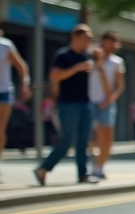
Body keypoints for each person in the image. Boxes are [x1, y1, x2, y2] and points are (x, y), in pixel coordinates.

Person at [34, 24, 98, 185]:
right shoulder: (63, 56)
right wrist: (76, 68)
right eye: (87, 37)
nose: (89, 40)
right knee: (68, 138)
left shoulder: (87, 56)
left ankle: (83, 174)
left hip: (85, 103)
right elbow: (54, 75)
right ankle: (44, 168)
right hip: (68, 104)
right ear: (76, 36)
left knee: (84, 140)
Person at [88, 31, 125, 180]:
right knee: (93, 138)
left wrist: (110, 99)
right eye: (106, 41)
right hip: (90, 101)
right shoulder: (92, 57)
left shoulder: (117, 62)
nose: (109, 45)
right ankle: (93, 164)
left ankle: (100, 167)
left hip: (107, 103)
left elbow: (120, 85)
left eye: (112, 42)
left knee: (107, 139)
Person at [0, 29, 31, 176]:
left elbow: (21, 66)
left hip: (4, 92)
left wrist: (24, 84)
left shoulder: (5, 45)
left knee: (0, 129)